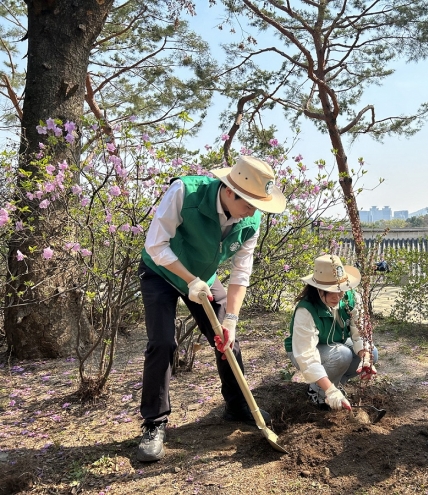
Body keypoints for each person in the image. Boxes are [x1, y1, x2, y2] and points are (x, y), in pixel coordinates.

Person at [136, 155, 287, 462]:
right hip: (160, 271)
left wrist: (230, 319)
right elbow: (156, 244)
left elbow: (241, 274)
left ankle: (238, 405)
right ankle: (154, 423)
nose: (253, 212)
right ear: (230, 192)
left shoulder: (250, 219)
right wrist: (189, 280)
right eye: (249, 205)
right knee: (163, 342)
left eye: (258, 206)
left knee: (227, 339)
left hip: (204, 277)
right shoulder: (184, 192)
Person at [284, 254, 378, 411]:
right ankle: (318, 392)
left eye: (340, 290)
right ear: (318, 289)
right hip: (302, 352)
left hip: (335, 344)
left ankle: (336, 384)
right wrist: (330, 390)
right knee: (342, 355)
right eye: (330, 291)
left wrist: (365, 358)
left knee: (372, 352)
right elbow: (306, 355)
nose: (337, 296)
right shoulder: (306, 310)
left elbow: (359, 332)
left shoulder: (350, 298)